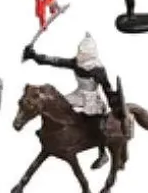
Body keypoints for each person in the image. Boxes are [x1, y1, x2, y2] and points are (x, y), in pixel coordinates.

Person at [23, 33, 113, 167]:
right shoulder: (76, 63)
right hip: (79, 93)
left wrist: (113, 101)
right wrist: (35, 56)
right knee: (57, 105)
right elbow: (56, 61)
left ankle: (102, 153)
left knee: (96, 123)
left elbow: (107, 88)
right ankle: (52, 130)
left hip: (92, 97)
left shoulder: (99, 71)